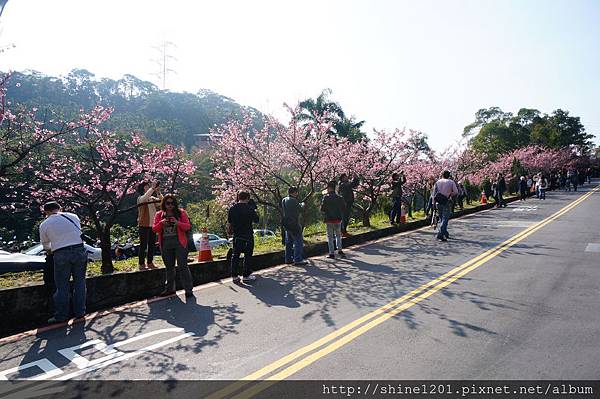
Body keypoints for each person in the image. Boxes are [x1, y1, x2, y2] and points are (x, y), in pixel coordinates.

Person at [39, 201, 87, 323]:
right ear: (60, 208)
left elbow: (46, 246)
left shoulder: (45, 224)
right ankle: (80, 312)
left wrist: (51, 249)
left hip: (61, 254)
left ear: (45, 212)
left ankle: (61, 315)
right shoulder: (73, 216)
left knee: (62, 286)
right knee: (80, 283)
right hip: (79, 250)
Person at [152, 194, 194, 298]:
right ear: (164, 204)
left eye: (172, 203)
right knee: (169, 267)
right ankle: (170, 289)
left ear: (175, 204)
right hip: (166, 243)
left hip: (180, 243)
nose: (170, 205)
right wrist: (161, 223)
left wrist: (177, 222)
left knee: (182, 265)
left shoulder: (181, 213)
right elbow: (154, 229)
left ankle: (188, 289)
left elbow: (187, 226)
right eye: (167, 203)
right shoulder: (159, 215)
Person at [227, 191, 260, 283]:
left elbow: (230, 222)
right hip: (248, 235)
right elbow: (256, 220)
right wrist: (254, 209)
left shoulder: (232, 208)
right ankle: (246, 275)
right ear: (247, 198)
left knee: (235, 255)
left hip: (237, 235)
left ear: (239, 197)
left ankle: (234, 276)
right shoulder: (249, 209)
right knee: (248, 255)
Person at [137, 181, 162, 271]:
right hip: (143, 224)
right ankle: (141, 264)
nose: (150, 187)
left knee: (151, 245)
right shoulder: (140, 198)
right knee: (143, 245)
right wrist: (152, 188)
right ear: (144, 188)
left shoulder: (152, 198)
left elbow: (161, 202)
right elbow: (144, 198)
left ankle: (150, 262)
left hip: (153, 225)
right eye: (147, 186)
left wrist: (158, 192)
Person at [281, 187, 307, 266]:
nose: (297, 193)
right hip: (294, 223)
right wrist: (302, 204)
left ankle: (288, 259)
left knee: (288, 242)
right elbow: (301, 209)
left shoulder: (284, 199)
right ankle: (298, 259)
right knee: (298, 241)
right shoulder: (293, 200)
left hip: (286, 223)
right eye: (296, 192)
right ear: (294, 192)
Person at [321, 181, 347, 259]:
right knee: (338, 235)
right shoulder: (340, 197)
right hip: (338, 219)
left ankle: (331, 253)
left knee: (330, 237)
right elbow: (344, 207)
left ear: (329, 188)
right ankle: (340, 250)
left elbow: (322, 209)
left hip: (329, 220)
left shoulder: (326, 197)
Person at [432, 171, 458, 242]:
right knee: (445, 218)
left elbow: (434, 194)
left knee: (441, 218)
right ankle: (440, 234)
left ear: (442, 175)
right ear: (449, 175)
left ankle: (445, 233)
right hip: (446, 201)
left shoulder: (437, 182)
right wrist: (450, 194)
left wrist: (433, 203)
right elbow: (456, 192)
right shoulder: (451, 182)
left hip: (438, 202)